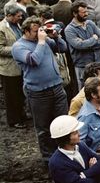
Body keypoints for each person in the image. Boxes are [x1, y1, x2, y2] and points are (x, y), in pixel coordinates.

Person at [12, 15, 70, 160]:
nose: (39, 33)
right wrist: (42, 41)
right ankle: (48, 158)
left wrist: (56, 37)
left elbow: (63, 48)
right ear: (25, 31)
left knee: (63, 121)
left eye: (40, 30)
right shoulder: (19, 46)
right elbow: (33, 60)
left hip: (57, 87)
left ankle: (65, 153)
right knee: (43, 128)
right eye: (35, 31)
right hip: (38, 92)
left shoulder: (43, 40)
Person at [64, 0, 100, 86]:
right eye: (83, 12)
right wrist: (94, 39)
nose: (86, 14)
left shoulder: (90, 23)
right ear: (75, 14)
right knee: (85, 90)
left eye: (87, 11)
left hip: (98, 63)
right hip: (83, 66)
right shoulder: (69, 30)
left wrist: (87, 45)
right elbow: (79, 45)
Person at [0, 3, 28, 129]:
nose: (20, 18)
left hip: (20, 66)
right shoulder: (1, 28)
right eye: (18, 16)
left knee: (20, 93)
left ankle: (21, 114)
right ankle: (14, 119)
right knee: (11, 95)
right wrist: (17, 49)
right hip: (9, 68)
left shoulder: (16, 24)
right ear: (9, 16)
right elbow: (0, 49)